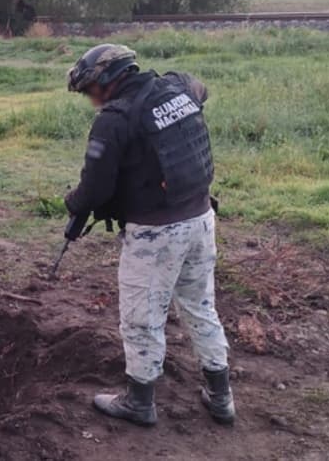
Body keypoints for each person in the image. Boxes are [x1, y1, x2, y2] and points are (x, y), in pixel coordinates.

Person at [64, 44, 235, 426]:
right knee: (200, 307)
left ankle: (140, 402)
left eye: (91, 89)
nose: (92, 99)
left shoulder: (115, 119)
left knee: (141, 318)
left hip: (156, 234)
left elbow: (94, 190)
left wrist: (71, 203)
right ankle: (221, 397)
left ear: (109, 79)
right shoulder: (178, 88)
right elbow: (199, 91)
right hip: (201, 219)